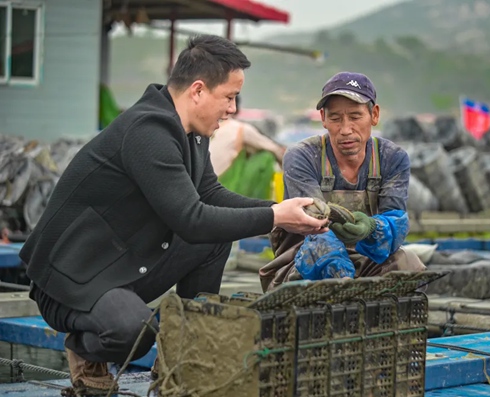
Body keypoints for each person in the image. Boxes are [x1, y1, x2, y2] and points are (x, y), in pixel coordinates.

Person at [19, 35, 328, 395]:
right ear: (198, 91)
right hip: (70, 279)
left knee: (214, 241)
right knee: (132, 332)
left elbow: (210, 194)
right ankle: (83, 350)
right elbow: (191, 219)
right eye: (229, 97)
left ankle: (186, 354)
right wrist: (276, 217)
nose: (232, 109)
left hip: (120, 264)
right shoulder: (148, 131)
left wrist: (282, 210)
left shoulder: (192, 134)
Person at [259, 71, 425, 292]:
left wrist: (372, 227)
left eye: (355, 117)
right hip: (302, 261)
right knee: (322, 251)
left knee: (408, 262)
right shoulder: (302, 156)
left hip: (366, 258)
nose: (346, 130)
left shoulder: (392, 158)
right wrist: (344, 284)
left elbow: (396, 221)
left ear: (374, 115)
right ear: (323, 119)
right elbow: (314, 225)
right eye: (336, 118)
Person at [209, 95, 286, 200]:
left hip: (208, 183)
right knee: (266, 156)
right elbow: (273, 148)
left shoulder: (214, 126)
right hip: (223, 184)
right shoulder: (239, 128)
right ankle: (259, 201)